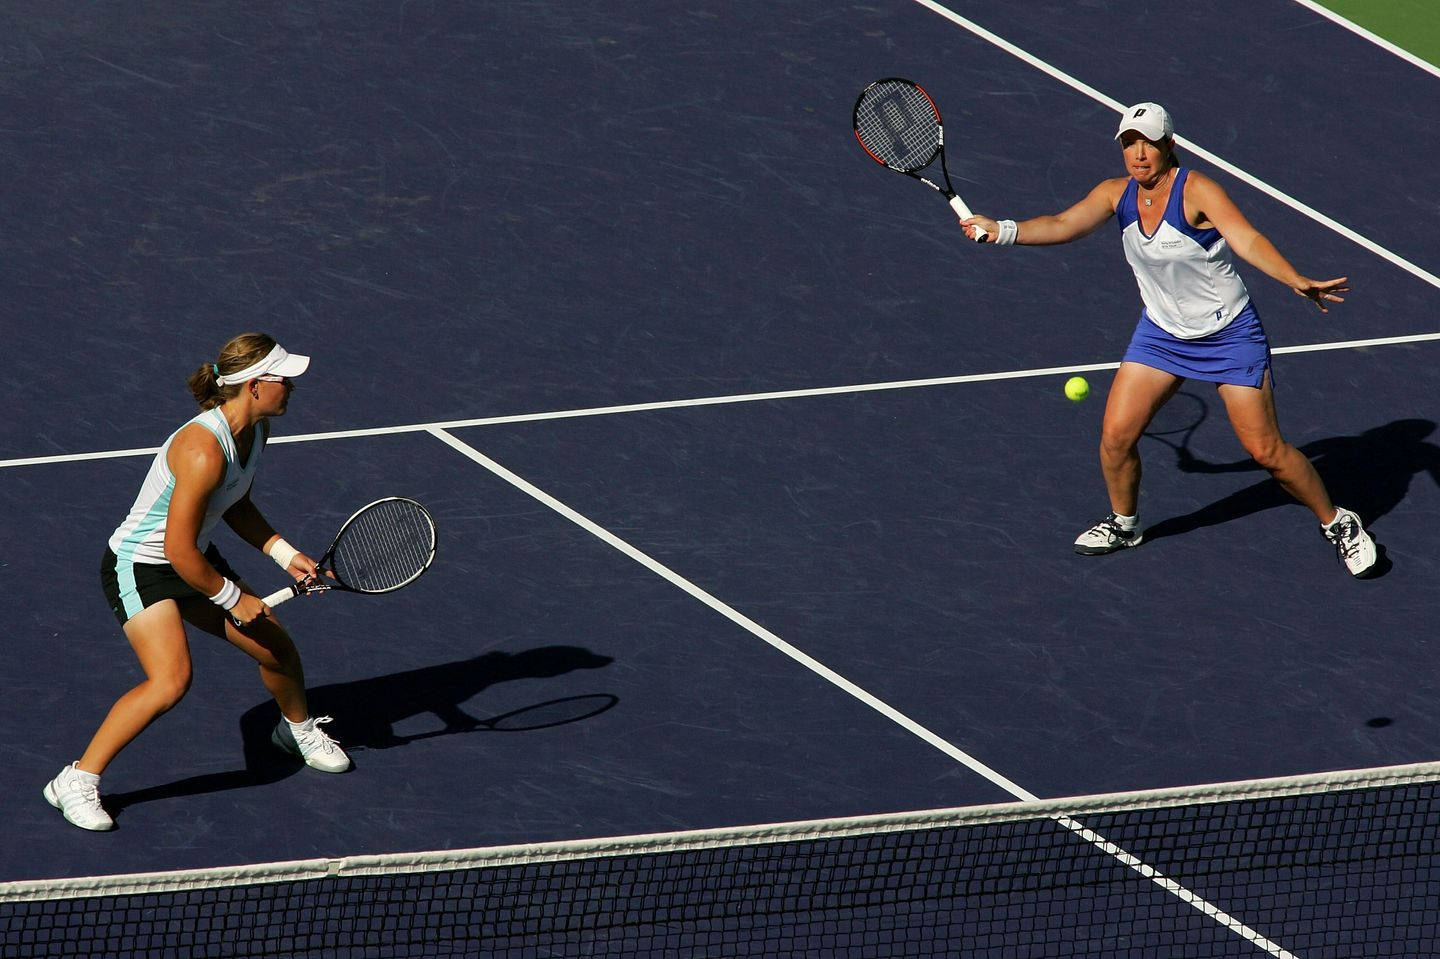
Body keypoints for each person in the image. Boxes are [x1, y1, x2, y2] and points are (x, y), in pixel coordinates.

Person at [960, 102, 1377, 577]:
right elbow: (1061, 224)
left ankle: (1338, 522)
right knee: (1115, 438)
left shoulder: (1198, 190)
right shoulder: (1114, 195)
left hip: (1228, 337)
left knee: (1268, 453)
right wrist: (1004, 230)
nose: (1138, 154)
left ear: (1169, 145)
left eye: (1149, 143)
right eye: (1129, 143)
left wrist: (1293, 278)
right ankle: (1125, 524)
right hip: (1161, 335)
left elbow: (1246, 238)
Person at [44, 333, 351, 832]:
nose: (292, 387)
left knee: (276, 647)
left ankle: (294, 731)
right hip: (142, 566)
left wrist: (285, 553)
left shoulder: (255, 433)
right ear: (253, 387)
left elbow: (234, 503)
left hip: (192, 558)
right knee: (171, 680)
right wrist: (233, 597)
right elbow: (174, 551)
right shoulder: (201, 449)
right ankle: (76, 780)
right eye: (283, 379)